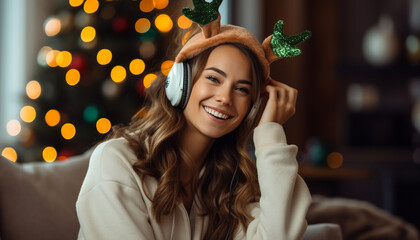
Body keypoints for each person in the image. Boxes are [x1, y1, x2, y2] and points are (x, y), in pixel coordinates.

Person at [76, 1, 312, 239]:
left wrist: (270, 133)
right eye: (213, 78)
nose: (225, 98)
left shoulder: (227, 183)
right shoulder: (117, 161)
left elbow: (277, 235)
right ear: (179, 83)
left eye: (242, 89)